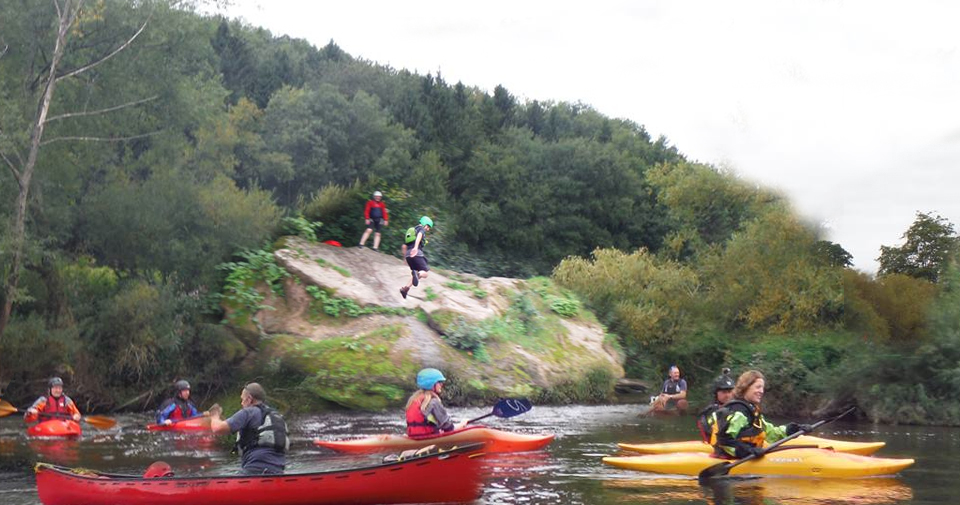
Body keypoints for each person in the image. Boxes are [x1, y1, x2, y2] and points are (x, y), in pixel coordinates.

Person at [713, 370, 813, 459]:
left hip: (749, 454)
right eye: (758, 387)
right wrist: (748, 451)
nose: (761, 391)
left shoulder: (752, 409)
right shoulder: (739, 411)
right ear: (746, 387)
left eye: (762, 388)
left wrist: (794, 429)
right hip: (733, 458)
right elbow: (724, 440)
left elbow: (770, 434)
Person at [209, 383, 288, 475]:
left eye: (242, 400)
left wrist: (214, 416)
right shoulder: (276, 415)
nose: (241, 403)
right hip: (278, 470)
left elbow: (217, 428)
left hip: (255, 469)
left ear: (249, 399)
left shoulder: (249, 412)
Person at [405, 368, 466, 437]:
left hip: (414, 437)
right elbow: (449, 428)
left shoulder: (413, 400)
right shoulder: (433, 402)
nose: (442, 384)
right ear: (432, 384)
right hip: (428, 438)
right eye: (439, 382)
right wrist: (462, 424)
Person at [697, 368, 735, 443]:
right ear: (716, 393)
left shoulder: (739, 409)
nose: (727, 395)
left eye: (730, 392)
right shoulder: (710, 412)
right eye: (724, 392)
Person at [399, 216, 433, 300]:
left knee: (416, 274)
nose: (428, 229)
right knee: (425, 273)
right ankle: (417, 275)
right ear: (424, 223)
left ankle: (405, 289)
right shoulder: (421, 229)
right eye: (428, 226)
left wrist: (405, 258)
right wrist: (416, 247)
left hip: (408, 255)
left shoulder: (412, 231)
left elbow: (404, 246)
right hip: (416, 253)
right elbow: (420, 236)